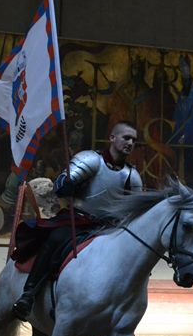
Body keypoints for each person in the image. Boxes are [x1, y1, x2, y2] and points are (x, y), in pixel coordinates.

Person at [11, 121, 142, 320]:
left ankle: (124, 311)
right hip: (79, 220)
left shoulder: (132, 176)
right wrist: (67, 184)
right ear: (112, 138)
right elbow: (60, 185)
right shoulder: (91, 159)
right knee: (56, 239)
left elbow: (134, 210)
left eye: (133, 140)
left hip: (109, 228)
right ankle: (28, 295)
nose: (130, 143)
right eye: (126, 137)